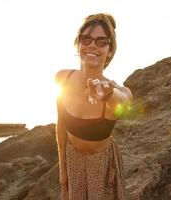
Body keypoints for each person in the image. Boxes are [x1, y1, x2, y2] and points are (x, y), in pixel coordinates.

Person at [55, 13, 132, 200]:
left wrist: (107, 93)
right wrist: (62, 169)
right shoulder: (62, 78)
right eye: (86, 39)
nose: (92, 46)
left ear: (110, 50)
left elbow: (123, 101)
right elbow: (61, 125)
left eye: (101, 41)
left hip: (101, 164)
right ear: (78, 44)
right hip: (73, 160)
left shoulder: (116, 90)